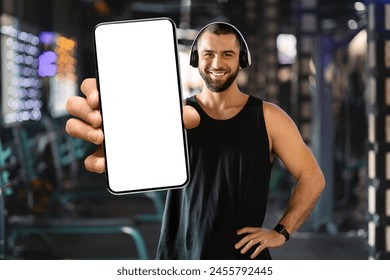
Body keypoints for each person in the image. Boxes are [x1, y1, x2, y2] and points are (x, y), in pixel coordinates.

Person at [66, 22, 325, 260]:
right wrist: (114, 140)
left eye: (227, 54)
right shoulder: (173, 115)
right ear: (195, 59)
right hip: (180, 255)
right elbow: (138, 163)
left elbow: (313, 177)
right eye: (208, 54)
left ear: (241, 60)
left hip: (242, 260)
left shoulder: (269, 118)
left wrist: (281, 231)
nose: (217, 62)